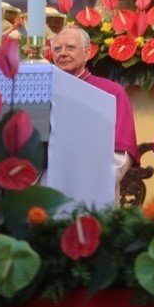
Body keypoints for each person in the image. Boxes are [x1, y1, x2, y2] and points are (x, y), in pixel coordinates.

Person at [50, 24, 138, 206]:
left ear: (87, 53)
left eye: (71, 47)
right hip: (49, 184)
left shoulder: (111, 92)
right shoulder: (43, 91)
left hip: (92, 186)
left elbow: (122, 150)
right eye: (57, 49)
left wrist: (95, 178)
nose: (63, 53)